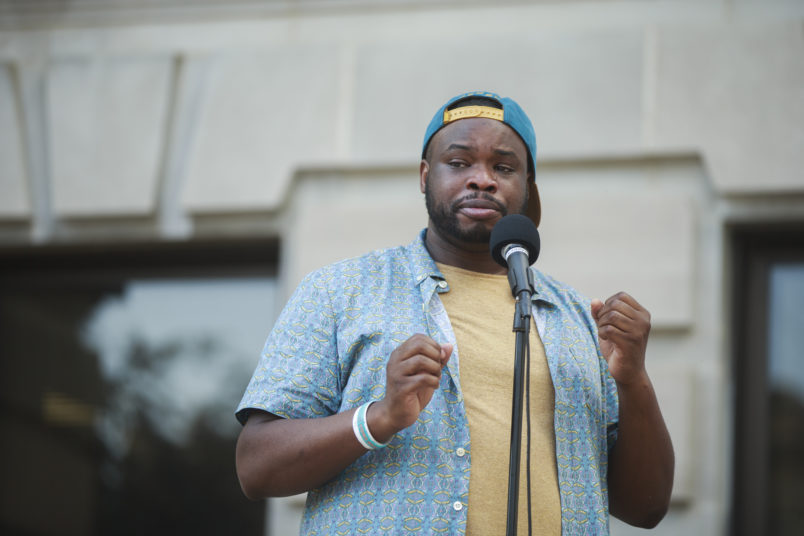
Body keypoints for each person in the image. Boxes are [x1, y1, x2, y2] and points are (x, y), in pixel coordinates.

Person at [235, 91, 674, 535]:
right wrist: (379, 417)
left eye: (503, 167)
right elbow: (256, 467)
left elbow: (646, 508)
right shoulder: (340, 292)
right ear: (425, 176)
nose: (482, 179)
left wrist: (633, 378)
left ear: (528, 188)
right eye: (459, 163)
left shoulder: (579, 318)